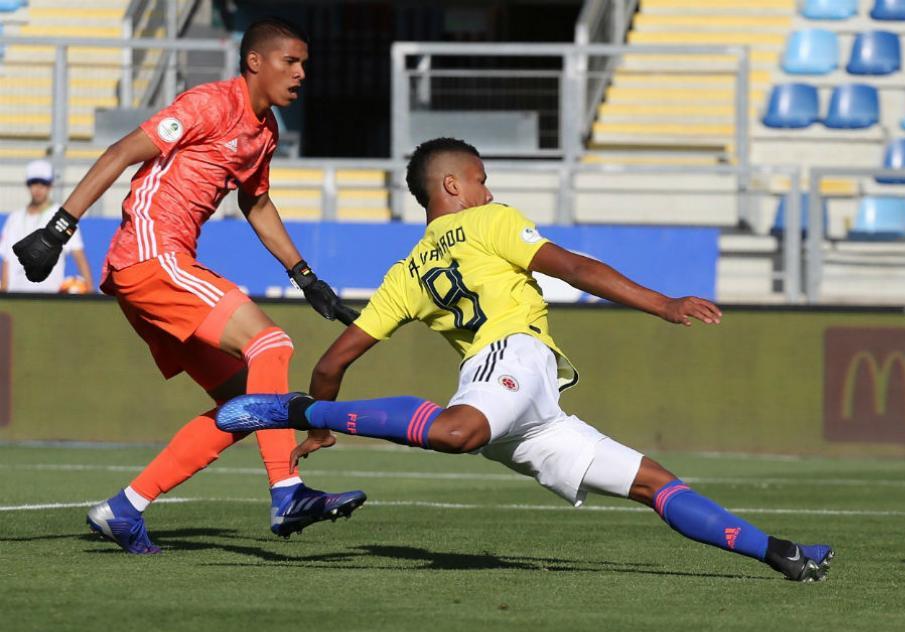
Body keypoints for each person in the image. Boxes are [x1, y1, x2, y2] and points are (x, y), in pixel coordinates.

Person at [217, 138, 833, 581]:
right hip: (508, 364)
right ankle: (282, 409)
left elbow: (333, 362)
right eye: (480, 178)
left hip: (528, 410)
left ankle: (777, 550)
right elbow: (575, 268)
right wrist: (662, 304)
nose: (489, 189)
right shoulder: (490, 221)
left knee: (651, 481)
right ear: (452, 186)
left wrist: (324, 421)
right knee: (457, 432)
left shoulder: (405, 274)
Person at [11, 18, 365, 554]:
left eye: (304, 65)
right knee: (271, 344)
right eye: (290, 62)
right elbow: (121, 152)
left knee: (250, 406)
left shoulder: (264, 133)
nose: (300, 74)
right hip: (151, 257)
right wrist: (59, 229)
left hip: (153, 272)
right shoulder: (208, 104)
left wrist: (305, 276)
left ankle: (125, 508)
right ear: (255, 63)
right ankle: (286, 492)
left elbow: (257, 203)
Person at [0, 160, 92, 294]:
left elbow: (78, 253)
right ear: (28, 185)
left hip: (49, 294)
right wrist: (4, 288)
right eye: (34, 183)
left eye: (43, 183)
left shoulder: (62, 217)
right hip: (17, 293)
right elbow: (7, 258)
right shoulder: (15, 218)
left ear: (50, 186)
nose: (38, 188)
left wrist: (89, 286)